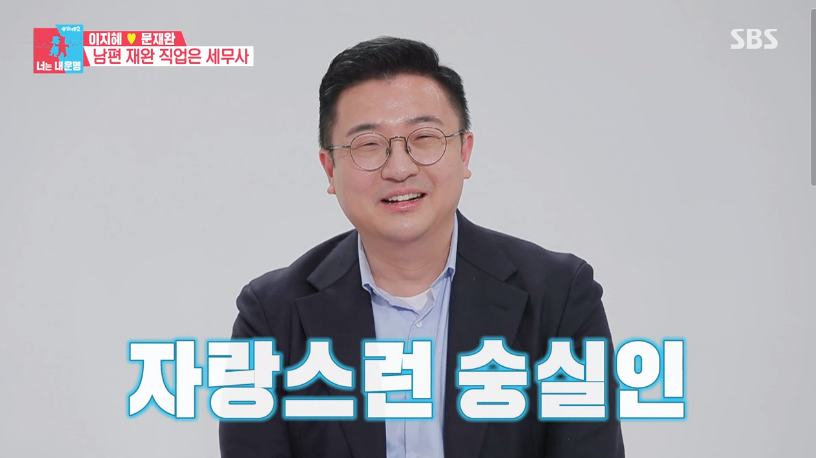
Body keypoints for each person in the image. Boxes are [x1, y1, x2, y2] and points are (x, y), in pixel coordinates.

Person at [219, 36, 625, 458]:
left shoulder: (559, 297)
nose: (399, 168)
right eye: (368, 144)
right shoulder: (271, 317)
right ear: (329, 169)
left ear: (464, 152)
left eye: (425, 137)